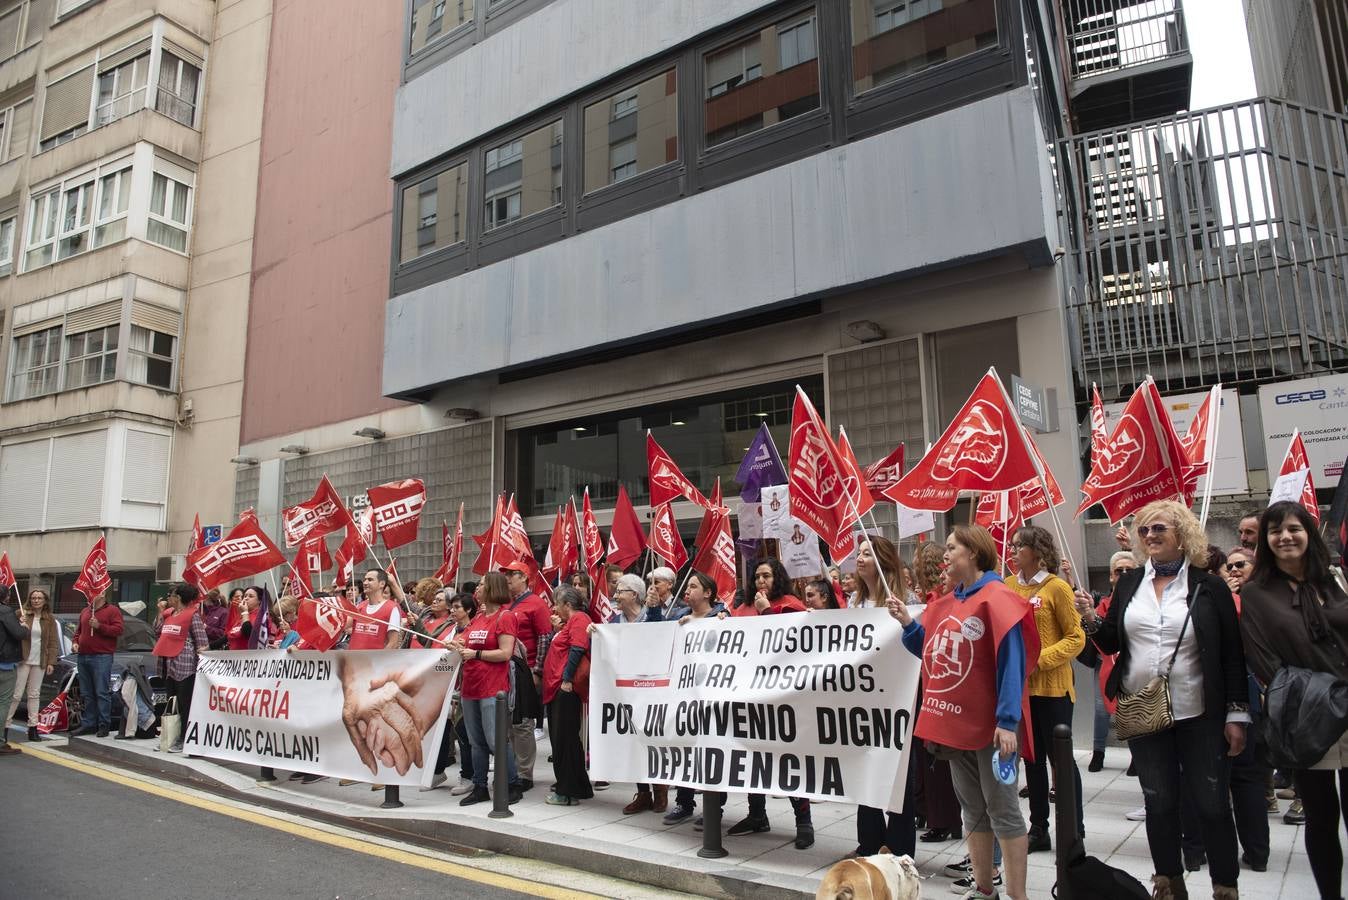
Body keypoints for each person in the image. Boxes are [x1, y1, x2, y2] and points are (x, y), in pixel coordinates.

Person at [1078, 499, 1248, 900]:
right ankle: (1169, 884)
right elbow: (1113, 642)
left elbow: (1231, 655)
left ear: (1182, 535)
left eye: (1159, 529)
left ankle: (1225, 886)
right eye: (1144, 530)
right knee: (1159, 803)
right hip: (1144, 710)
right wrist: (1090, 618)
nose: (1150, 536)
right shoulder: (1131, 582)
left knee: (1212, 804)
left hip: (1200, 713)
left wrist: (1237, 714)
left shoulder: (1210, 586)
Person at [888, 525, 1034, 900]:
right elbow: (934, 651)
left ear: (973, 553)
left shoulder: (997, 598)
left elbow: (1011, 663)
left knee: (1003, 811)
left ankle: (1018, 895)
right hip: (956, 725)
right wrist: (907, 622)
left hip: (991, 729)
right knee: (973, 810)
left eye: (952, 548)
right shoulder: (946, 603)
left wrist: (1006, 721)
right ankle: (985, 890)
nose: (945, 556)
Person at [1238, 500, 1348, 898]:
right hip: (1308, 715)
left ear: (1309, 534)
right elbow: (1266, 661)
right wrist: (1322, 694)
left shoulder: (1335, 579)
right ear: (1266, 540)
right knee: (1320, 817)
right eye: (1275, 531)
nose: (1285, 537)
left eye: (1294, 529)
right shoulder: (1256, 594)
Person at [1004, 525, 1085, 854]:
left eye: (1018, 546)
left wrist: (1040, 659)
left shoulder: (1057, 589)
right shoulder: (1008, 586)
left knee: (1060, 761)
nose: (1012, 551)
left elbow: (1076, 637)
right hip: (1021, 691)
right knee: (1031, 761)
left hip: (1053, 689)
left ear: (1036, 552)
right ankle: (1039, 827)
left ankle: (1073, 828)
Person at [726, 557, 814, 849]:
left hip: (782, 696)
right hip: (749, 695)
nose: (760, 582)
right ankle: (757, 815)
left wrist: (769, 612)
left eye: (766, 576)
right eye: (757, 577)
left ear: (778, 578)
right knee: (753, 757)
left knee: (787, 758)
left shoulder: (792, 604)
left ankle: (804, 821)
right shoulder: (743, 609)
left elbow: (798, 639)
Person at [848, 536, 921, 856]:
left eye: (867, 553)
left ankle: (899, 848)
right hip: (864, 702)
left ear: (883, 559)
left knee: (900, 775)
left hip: (898, 701)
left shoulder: (907, 601)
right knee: (866, 770)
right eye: (858, 553)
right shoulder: (853, 603)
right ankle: (869, 843)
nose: (859, 558)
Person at [450, 574, 522, 806]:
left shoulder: (505, 616)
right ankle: (480, 785)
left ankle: (511, 784)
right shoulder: (479, 617)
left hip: (493, 688)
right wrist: (458, 644)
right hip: (471, 687)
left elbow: (505, 653)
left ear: (493, 588)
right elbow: (465, 640)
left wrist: (476, 654)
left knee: (495, 740)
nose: (477, 588)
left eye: (481, 584)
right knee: (475, 741)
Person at [664, 572, 728, 825]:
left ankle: (715, 808)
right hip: (686, 698)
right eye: (686, 586)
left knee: (713, 751)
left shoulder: (721, 617)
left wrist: (723, 619)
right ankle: (684, 802)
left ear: (708, 593)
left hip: (713, 698)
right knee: (685, 749)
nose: (687, 590)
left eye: (693, 586)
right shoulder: (681, 619)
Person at [1086, 551, 1137, 773]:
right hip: (1105, 662)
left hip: (1132, 665)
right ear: (1110, 576)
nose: (1124, 574)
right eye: (1119, 571)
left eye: (1129, 570)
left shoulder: (1141, 601)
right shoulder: (1104, 603)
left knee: (1134, 709)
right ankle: (1098, 753)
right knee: (1101, 710)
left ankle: (1137, 755)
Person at [502, 561, 550, 792]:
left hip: (525, 670)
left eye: (512, 575)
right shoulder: (506, 603)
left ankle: (524, 773)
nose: (508, 579)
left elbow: (543, 637)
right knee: (507, 723)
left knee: (522, 724)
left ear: (524, 577)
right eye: (506, 575)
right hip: (503, 670)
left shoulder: (536, 603)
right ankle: (511, 770)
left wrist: (537, 671)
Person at [542, 586, 593, 806]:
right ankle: (577, 785)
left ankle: (567, 791)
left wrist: (567, 679)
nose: (554, 608)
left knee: (564, 741)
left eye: (557, 603)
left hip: (564, 689)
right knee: (564, 740)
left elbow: (577, 648)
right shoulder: (568, 624)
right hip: (556, 688)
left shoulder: (579, 619)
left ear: (568, 605)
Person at [153, 584, 209, 753]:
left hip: (186, 666)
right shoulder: (169, 614)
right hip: (169, 665)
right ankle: (170, 737)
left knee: (185, 705)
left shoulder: (193, 615)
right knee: (172, 704)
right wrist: (160, 612)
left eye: (171, 595)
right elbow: (157, 631)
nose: (168, 598)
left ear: (178, 598)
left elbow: (202, 641)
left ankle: (184, 739)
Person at [6, 589, 57, 742]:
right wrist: (20, 625)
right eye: (33, 598)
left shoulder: (49, 619)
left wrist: (51, 662)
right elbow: (12, 634)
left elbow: (53, 643)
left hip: (39, 660)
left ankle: (33, 728)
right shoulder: (20, 614)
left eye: (39, 598)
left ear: (45, 600)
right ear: (30, 600)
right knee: (16, 694)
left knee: (34, 694)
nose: (36, 600)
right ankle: (5, 727)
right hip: (23, 659)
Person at [72, 589, 124, 738]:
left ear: (102, 594)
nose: (90, 595)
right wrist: (75, 642)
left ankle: (103, 724)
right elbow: (78, 632)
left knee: (101, 692)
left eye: (94, 592)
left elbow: (118, 630)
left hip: (101, 656)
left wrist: (100, 626)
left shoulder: (112, 611)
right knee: (87, 692)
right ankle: (89, 723)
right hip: (83, 655)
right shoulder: (85, 611)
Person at [445, 591, 478, 795]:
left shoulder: (472, 631)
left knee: (467, 734)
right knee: (461, 732)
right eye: (453, 607)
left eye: (458, 607)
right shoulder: (451, 630)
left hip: (471, 688)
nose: (453, 611)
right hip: (455, 688)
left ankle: (470, 775)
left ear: (468, 610)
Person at [0, 594, 31, 755]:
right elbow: (18, 633)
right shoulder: (6, 611)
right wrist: (24, 627)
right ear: (7, 596)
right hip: (4, 663)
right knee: (4, 702)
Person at [351, 569, 403, 650]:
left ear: (382, 584)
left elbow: (393, 643)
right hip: (354, 660)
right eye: (365, 579)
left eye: (370, 580)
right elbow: (343, 624)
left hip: (375, 661)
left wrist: (380, 661)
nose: (365, 583)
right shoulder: (360, 606)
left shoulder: (391, 608)